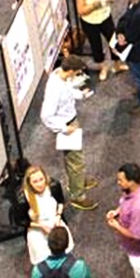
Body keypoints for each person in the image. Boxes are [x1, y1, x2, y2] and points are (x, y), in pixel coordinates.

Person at [40, 56, 99, 211]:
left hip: (70, 121)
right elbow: (46, 116)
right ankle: (77, 195)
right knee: (75, 160)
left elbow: (68, 92)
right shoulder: (55, 89)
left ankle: (77, 182)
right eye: (77, 73)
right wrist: (65, 128)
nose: (77, 75)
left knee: (73, 158)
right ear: (71, 70)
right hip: (66, 126)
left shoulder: (60, 75)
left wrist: (80, 95)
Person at [22, 165, 72, 266]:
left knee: (63, 256)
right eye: (35, 181)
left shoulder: (54, 186)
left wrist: (58, 216)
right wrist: (41, 227)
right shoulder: (23, 198)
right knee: (45, 262)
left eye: (41, 179)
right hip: (37, 230)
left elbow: (61, 202)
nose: (40, 184)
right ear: (29, 183)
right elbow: (22, 221)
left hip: (56, 224)